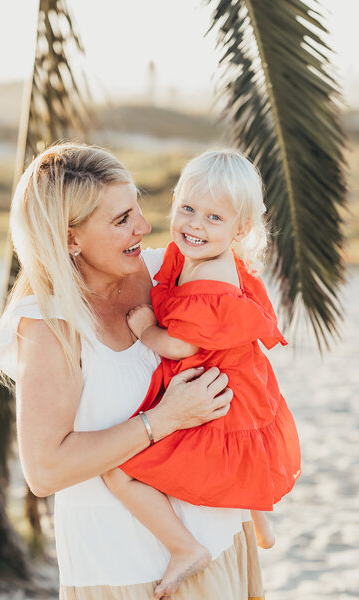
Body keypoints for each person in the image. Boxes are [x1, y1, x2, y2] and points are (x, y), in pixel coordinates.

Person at [0, 143, 265, 600]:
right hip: (132, 573)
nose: (144, 226)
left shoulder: (165, 272)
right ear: (70, 238)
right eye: (121, 220)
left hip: (222, 540)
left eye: (136, 207)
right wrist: (164, 419)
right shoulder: (50, 326)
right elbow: (45, 470)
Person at [102, 150, 301, 598]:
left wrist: (146, 328)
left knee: (118, 471)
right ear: (174, 202)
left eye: (214, 217)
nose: (195, 225)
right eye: (188, 209)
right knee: (245, 460)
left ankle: (184, 547)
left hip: (219, 395)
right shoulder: (194, 253)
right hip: (241, 384)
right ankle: (258, 517)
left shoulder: (210, 277)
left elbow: (181, 345)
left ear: (240, 229)